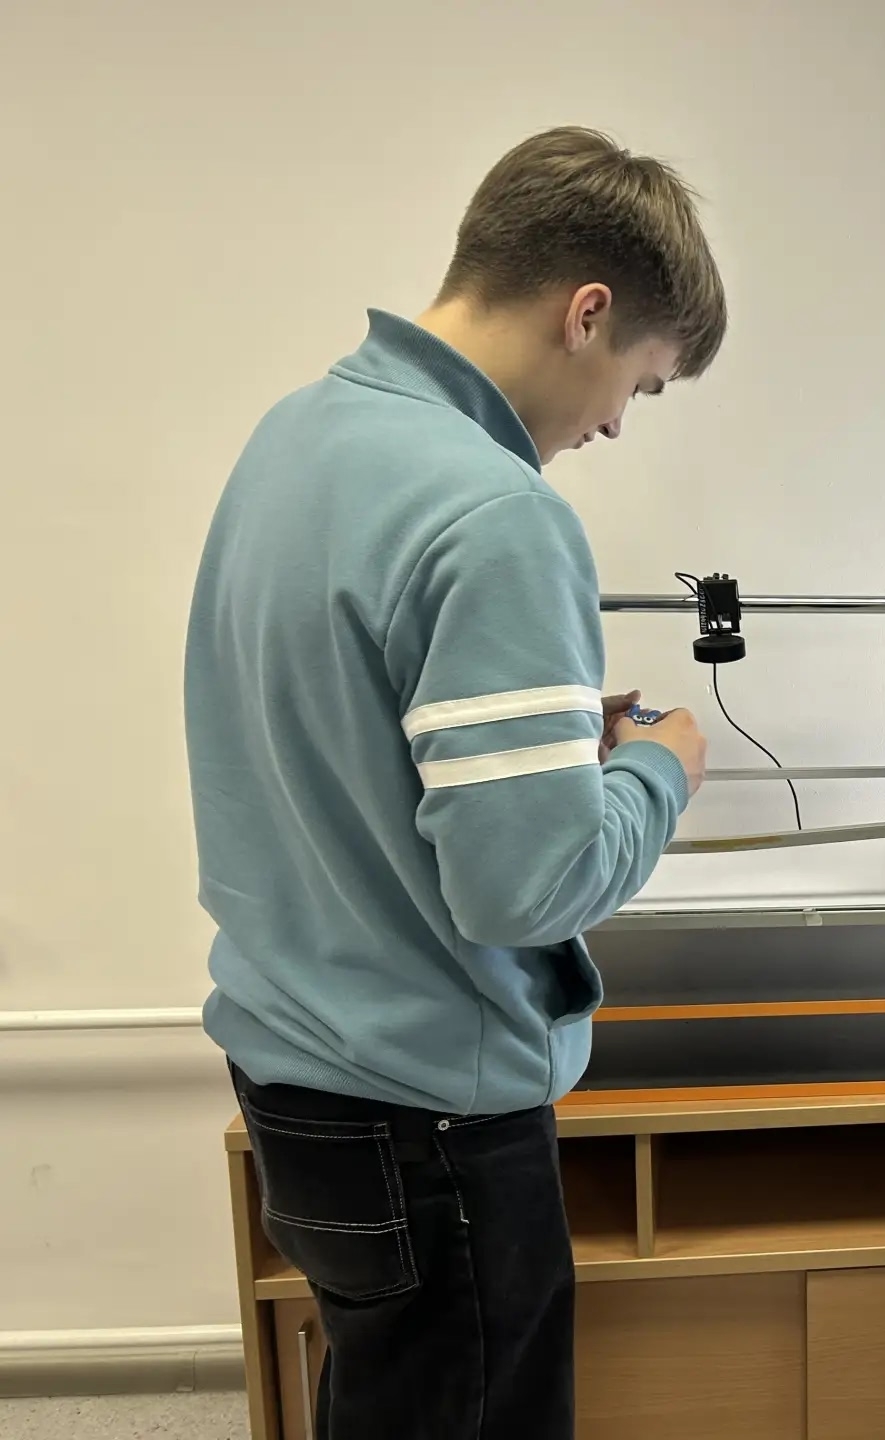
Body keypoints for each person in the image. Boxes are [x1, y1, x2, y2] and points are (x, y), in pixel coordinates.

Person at [185, 128, 726, 1439]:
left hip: (295, 1075)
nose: (613, 423)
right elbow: (526, 888)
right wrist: (661, 768)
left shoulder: (297, 434)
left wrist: (544, 744)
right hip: (427, 1116)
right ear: (585, 313)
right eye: (639, 384)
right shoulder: (498, 513)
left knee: (386, 1399)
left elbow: (333, 730)